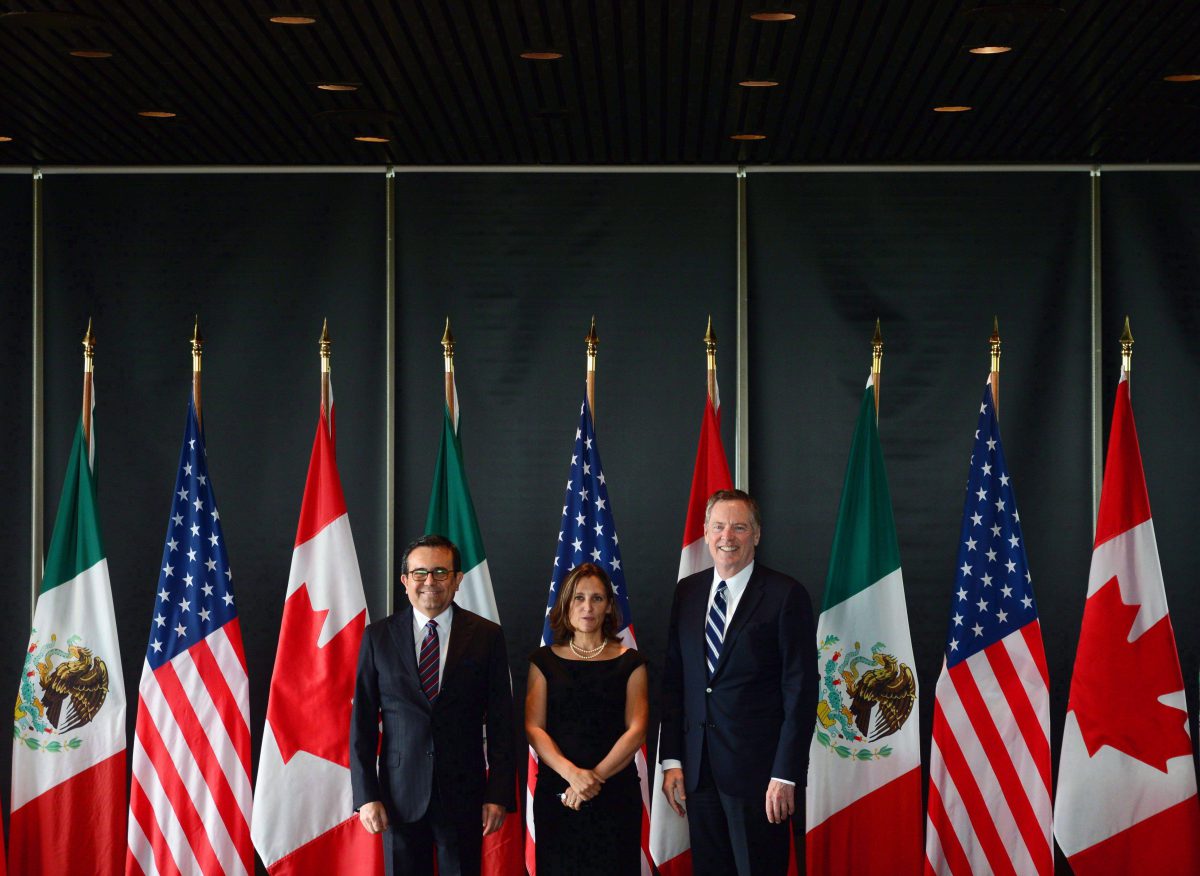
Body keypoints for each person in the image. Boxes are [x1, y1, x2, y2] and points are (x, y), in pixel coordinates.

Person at [659, 489, 818, 876]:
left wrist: (785, 774)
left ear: (757, 534)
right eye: (718, 527)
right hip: (699, 772)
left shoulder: (785, 595)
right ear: (705, 532)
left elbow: (800, 691)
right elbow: (676, 680)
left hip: (760, 778)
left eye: (739, 527)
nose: (726, 536)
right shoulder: (688, 592)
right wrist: (673, 760)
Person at [350, 534, 516, 876]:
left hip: (465, 794)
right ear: (404, 581)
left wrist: (498, 793)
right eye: (420, 573)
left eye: (441, 572)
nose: (430, 581)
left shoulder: (486, 636)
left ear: (457, 580)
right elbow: (362, 722)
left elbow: (502, 721)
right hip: (398, 796)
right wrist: (366, 795)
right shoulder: (378, 637)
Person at [526, 562, 649, 876]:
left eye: (597, 598)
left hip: (615, 793)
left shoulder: (631, 662)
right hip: (559, 793)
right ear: (566, 604)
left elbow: (636, 730)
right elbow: (534, 727)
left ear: (608, 606)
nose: (587, 607)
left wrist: (592, 778)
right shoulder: (543, 660)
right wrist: (573, 776)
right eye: (579, 598)